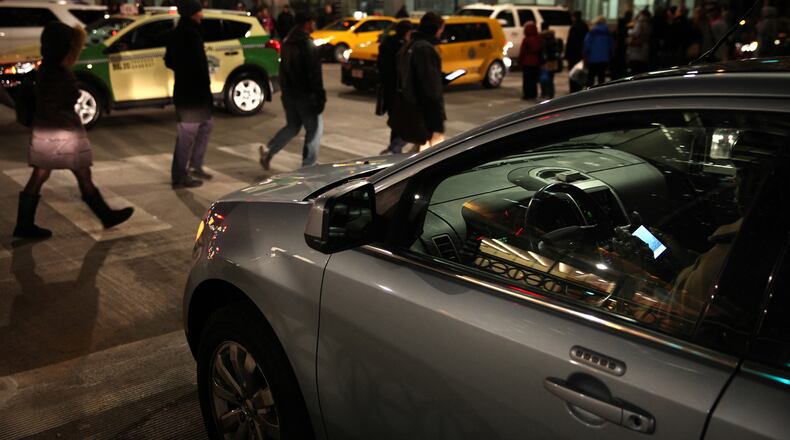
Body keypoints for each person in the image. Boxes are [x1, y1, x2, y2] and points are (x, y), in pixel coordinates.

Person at [14, 22, 133, 239]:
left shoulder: (46, 68)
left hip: (46, 131)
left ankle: (24, 223)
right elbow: (66, 98)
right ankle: (105, 215)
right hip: (64, 131)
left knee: (41, 174)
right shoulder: (58, 71)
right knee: (80, 174)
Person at [259, 11, 325, 169]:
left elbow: (283, 70)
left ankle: (268, 151)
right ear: (307, 24)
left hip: (289, 95)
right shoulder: (307, 44)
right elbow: (314, 75)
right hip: (306, 96)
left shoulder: (288, 42)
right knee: (315, 130)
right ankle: (308, 165)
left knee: (293, 126)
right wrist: (320, 96)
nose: (314, 25)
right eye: (313, 22)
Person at [165, 0, 213, 189]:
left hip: (188, 91)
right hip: (192, 94)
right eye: (200, 11)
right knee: (186, 135)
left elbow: (168, 61)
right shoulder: (190, 35)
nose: (202, 14)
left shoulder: (179, 33)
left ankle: (195, 166)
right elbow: (199, 68)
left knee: (207, 126)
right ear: (193, 14)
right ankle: (179, 176)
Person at [388, 12, 445, 149]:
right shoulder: (425, 49)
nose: (441, 34)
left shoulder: (410, 45)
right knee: (431, 156)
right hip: (423, 115)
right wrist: (436, 122)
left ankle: (393, 151)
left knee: (416, 151)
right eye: (441, 30)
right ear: (435, 29)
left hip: (408, 109)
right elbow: (430, 88)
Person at [377, 20, 413, 154]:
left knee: (395, 122)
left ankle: (394, 152)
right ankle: (394, 149)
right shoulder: (404, 47)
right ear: (407, 32)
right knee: (406, 122)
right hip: (400, 90)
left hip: (388, 89)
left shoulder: (386, 43)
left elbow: (380, 66)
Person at [583, 16, 613, 87]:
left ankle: (589, 94)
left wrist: (585, 54)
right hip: (604, 58)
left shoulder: (592, 32)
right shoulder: (607, 32)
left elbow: (587, 44)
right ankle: (601, 93)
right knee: (601, 78)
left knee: (590, 78)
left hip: (592, 58)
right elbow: (611, 46)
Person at [519, 21, 542, 101]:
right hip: (536, 62)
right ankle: (533, 94)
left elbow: (522, 52)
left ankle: (527, 94)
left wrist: (520, 61)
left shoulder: (526, 40)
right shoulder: (538, 38)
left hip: (527, 62)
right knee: (534, 80)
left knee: (527, 80)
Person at [627, 9, 652, 75]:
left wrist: (629, 31)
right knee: (642, 70)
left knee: (635, 69)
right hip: (645, 48)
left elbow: (636, 33)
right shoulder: (648, 23)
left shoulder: (640, 22)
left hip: (636, 49)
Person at [539, 21, 559, 99]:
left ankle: (544, 93)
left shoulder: (542, 37)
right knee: (550, 78)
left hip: (544, 61)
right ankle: (551, 93)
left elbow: (542, 50)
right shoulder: (553, 37)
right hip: (553, 61)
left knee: (543, 78)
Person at [612, 10, 632, 79]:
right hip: (623, 49)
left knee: (617, 66)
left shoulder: (616, 32)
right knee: (621, 65)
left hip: (617, 50)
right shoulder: (627, 28)